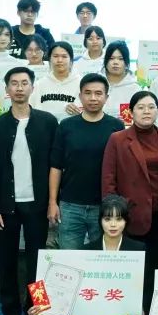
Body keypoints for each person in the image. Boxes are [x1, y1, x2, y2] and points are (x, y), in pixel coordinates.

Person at [0, 66, 59, 315]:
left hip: (37, 205)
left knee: (39, 263)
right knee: (7, 263)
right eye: (14, 83)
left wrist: (53, 201)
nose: (19, 88)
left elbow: (55, 165)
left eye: (24, 83)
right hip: (6, 208)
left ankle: (37, 313)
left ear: (32, 87)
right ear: (6, 90)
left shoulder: (48, 122)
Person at [101, 90, 158, 303]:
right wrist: (113, 215)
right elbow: (108, 178)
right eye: (141, 107)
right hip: (130, 216)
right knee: (131, 270)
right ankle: (129, 311)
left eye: (151, 107)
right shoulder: (118, 139)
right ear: (131, 112)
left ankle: (148, 313)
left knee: (153, 268)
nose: (147, 111)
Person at [48, 73, 125, 250]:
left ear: (106, 97)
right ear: (80, 95)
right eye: (88, 93)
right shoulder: (66, 126)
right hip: (70, 206)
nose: (93, 98)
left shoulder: (116, 127)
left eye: (98, 93)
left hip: (105, 206)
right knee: (69, 259)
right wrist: (52, 202)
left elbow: (121, 169)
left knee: (102, 258)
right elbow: (56, 166)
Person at [74, 195, 147, 315]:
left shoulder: (138, 250)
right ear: (100, 221)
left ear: (126, 221)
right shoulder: (87, 251)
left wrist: (141, 308)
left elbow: (145, 285)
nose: (113, 225)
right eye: (107, 219)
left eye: (119, 219)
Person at [33, 42, 82, 119]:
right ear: (49, 59)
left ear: (71, 60)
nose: (59, 60)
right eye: (55, 56)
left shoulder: (81, 84)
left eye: (64, 56)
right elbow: (33, 110)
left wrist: (78, 110)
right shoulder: (39, 84)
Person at [102, 41, 139, 121]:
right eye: (111, 58)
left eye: (120, 59)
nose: (115, 62)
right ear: (106, 61)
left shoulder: (135, 89)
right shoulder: (96, 83)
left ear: (126, 62)